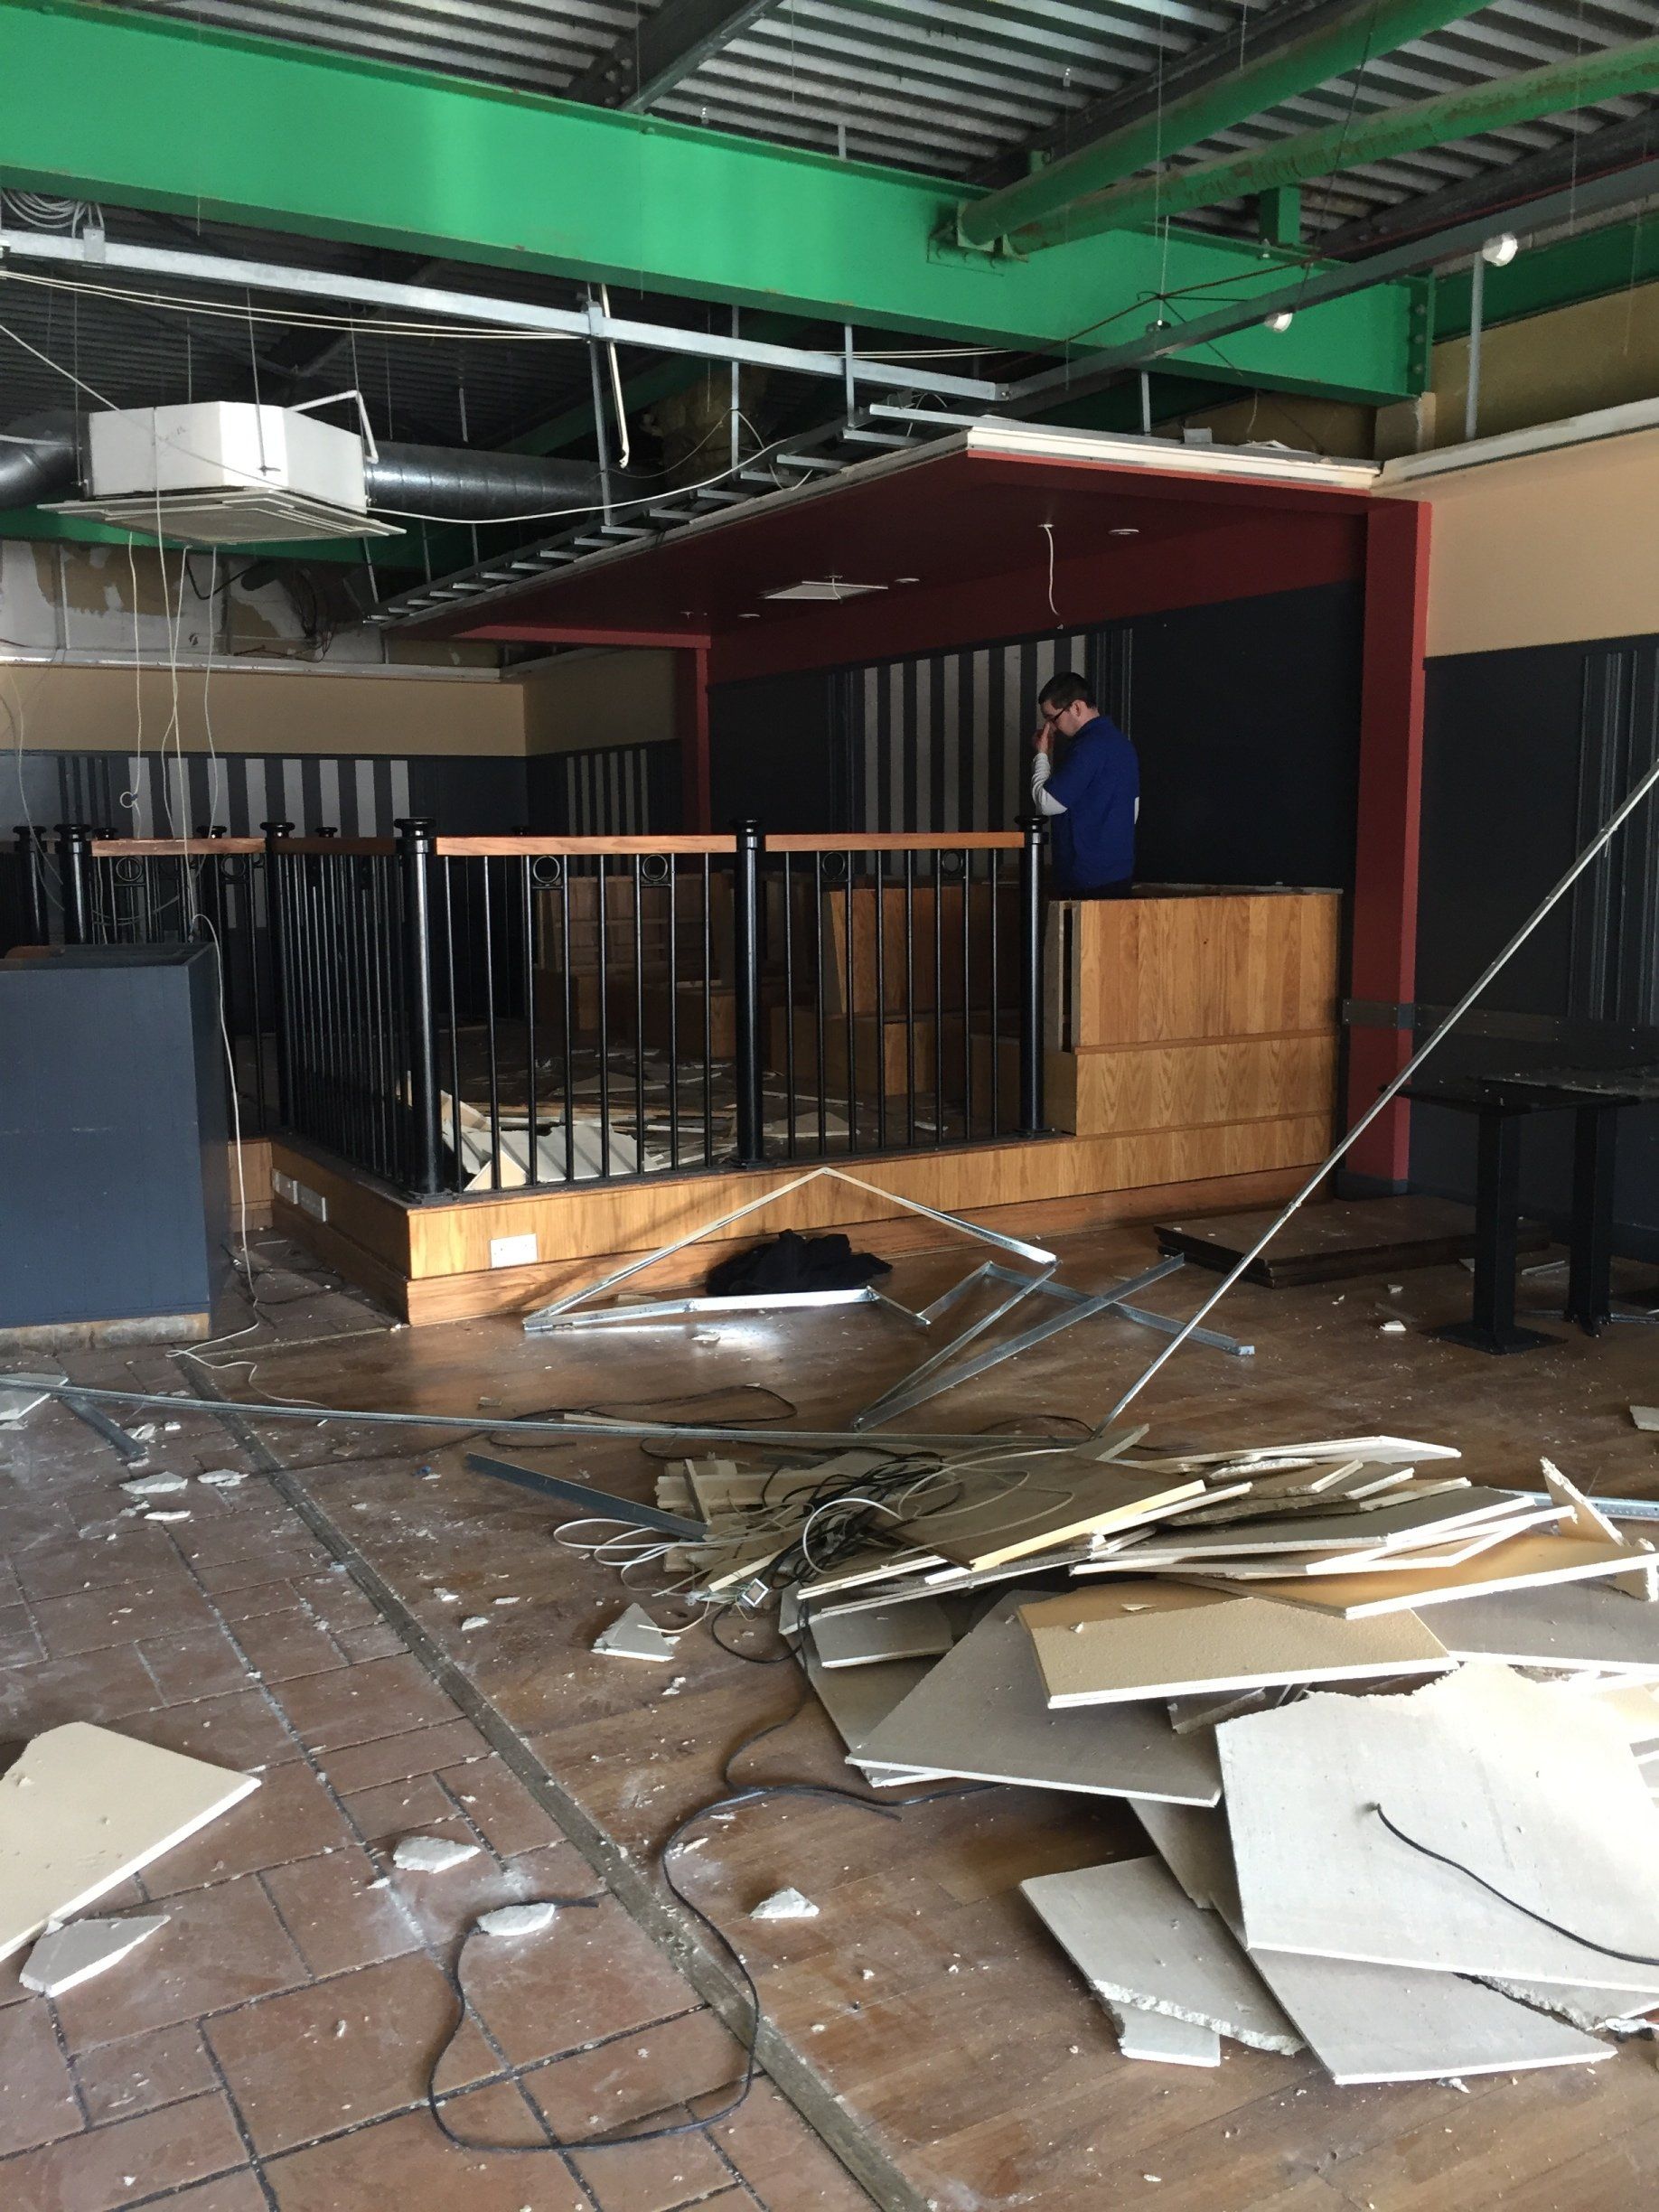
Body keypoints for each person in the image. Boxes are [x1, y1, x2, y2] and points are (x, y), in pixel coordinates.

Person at [1029, 671, 1139, 896]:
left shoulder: (1087, 748)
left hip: (1084, 877)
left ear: (1076, 708)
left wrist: (1041, 755)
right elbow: (1133, 811)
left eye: (1053, 717)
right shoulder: (1123, 744)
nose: (1052, 727)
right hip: (1119, 871)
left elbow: (1048, 803)